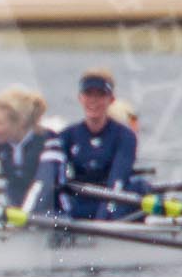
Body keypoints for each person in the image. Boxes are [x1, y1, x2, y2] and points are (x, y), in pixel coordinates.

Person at [55, 68, 139, 219]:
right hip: (79, 202)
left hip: (112, 204)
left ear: (111, 100)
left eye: (100, 95)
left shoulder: (125, 136)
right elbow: (57, 179)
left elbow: (117, 181)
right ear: (80, 98)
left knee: (140, 186)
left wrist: (101, 220)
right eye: (88, 94)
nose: (93, 100)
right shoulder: (67, 136)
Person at [0, 85, 64, 213]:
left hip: (53, 214)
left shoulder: (49, 141)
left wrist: (21, 216)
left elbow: (43, 186)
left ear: (20, 123)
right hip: (17, 214)